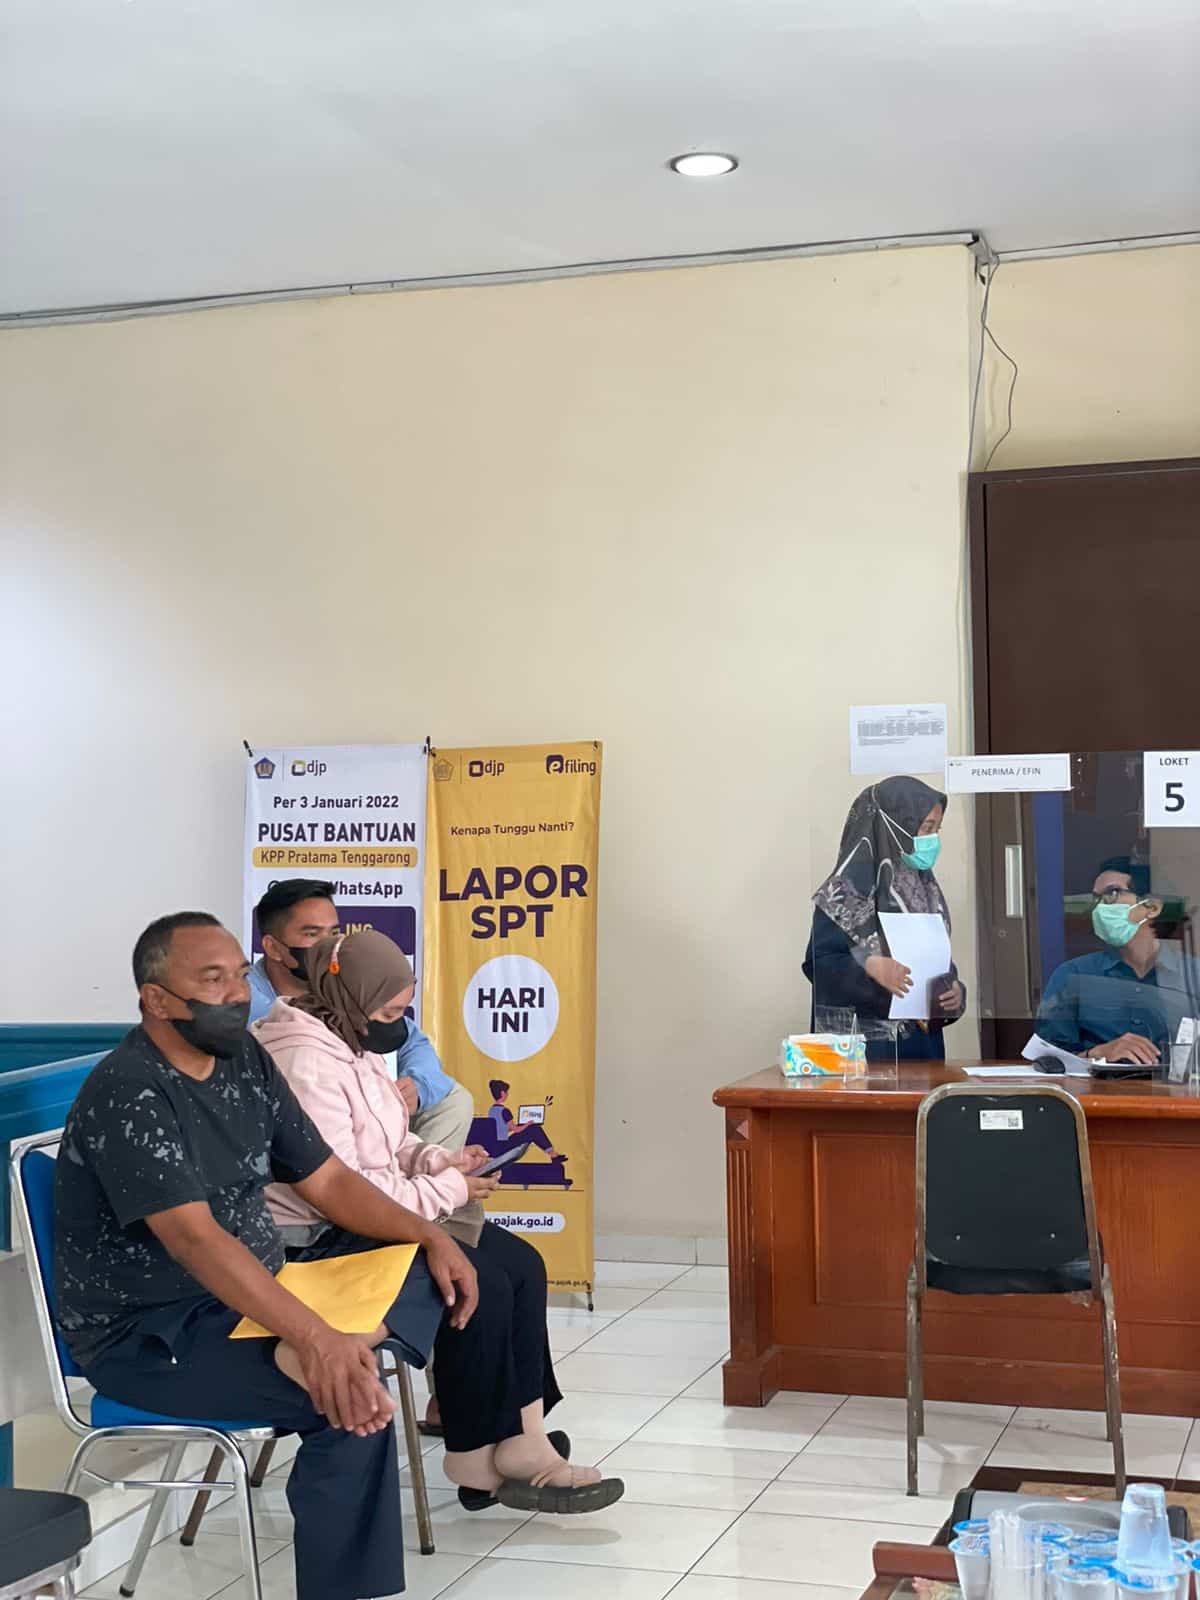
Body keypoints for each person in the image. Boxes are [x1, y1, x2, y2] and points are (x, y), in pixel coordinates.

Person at [54, 912, 477, 1600]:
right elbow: (195, 1240)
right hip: (152, 1335)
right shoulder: (131, 1090)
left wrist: (429, 1234)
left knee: (433, 1268)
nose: (235, 994)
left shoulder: (245, 1061)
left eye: (237, 975)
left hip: (258, 1294)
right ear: (156, 999)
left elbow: (327, 1179)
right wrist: (313, 1337)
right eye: (211, 980)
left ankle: (338, 1341)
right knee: (348, 1400)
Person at [254, 929, 620, 1513]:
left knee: (522, 1263)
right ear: (351, 996)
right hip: (318, 1237)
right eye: (390, 1013)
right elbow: (342, 1186)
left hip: (372, 1214)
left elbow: (388, 1140)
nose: (398, 1026)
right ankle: (474, 1453)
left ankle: (522, 1435)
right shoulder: (303, 1062)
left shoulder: (350, 1039)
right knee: (477, 1278)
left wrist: (441, 1160)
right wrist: (448, 1189)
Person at [248, 878, 473, 1148]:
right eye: (312, 934)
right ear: (273, 947)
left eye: (333, 932)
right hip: (292, 1114)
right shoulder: (245, 1000)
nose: (328, 945)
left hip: (361, 1099)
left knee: (454, 1100)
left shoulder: (340, 976)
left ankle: (413, 1171)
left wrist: (418, 1085)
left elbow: (409, 1038)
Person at [803, 777, 965, 1062]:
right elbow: (819, 964)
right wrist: (869, 967)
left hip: (922, 1049)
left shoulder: (924, 889)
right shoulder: (845, 892)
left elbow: (934, 961)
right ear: (894, 826)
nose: (933, 839)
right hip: (866, 1052)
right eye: (926, 828)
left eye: (937, 829)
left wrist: (953, 992)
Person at [1036, 857, 1200, 1065]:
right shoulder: (1072, 975)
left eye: (1112, 894)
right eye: (1096, 899)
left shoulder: (1194, 976)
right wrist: (1097, 1053)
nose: (1099, 908)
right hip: (1095, 1086)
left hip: (1174, 1086)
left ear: (1151, 907)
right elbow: (1048, 1061)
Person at [488, 1079, 566, 1162]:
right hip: (504, 1146)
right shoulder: (504, 1111)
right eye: (507, 1092)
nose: (508, 1094)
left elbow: (502, 1129)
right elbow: (516, 1130)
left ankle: (553, 1155)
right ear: (502, 1093)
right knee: (534, 1129)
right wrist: (528, 1124)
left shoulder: (491, 1110)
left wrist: (521, 1125)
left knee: (532, 1129)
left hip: (496, 1146)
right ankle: (553, 1155)